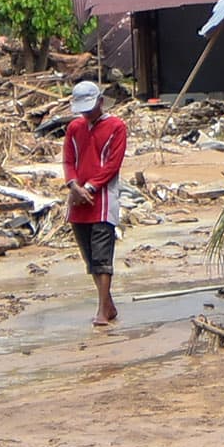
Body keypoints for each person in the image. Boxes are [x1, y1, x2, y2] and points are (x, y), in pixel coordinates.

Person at [62, 80, 127, 327]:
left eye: (90, 108)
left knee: (102, 257)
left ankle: (102, 310)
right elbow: (68, 161)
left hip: (103, 199)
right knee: (89, 257)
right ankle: (107, 304)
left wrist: (89, 187)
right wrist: (74, 186)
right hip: (78, 200)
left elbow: (112, 164)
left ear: (100, 102)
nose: (87, 114)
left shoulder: (116, 127)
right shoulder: (74, 128)